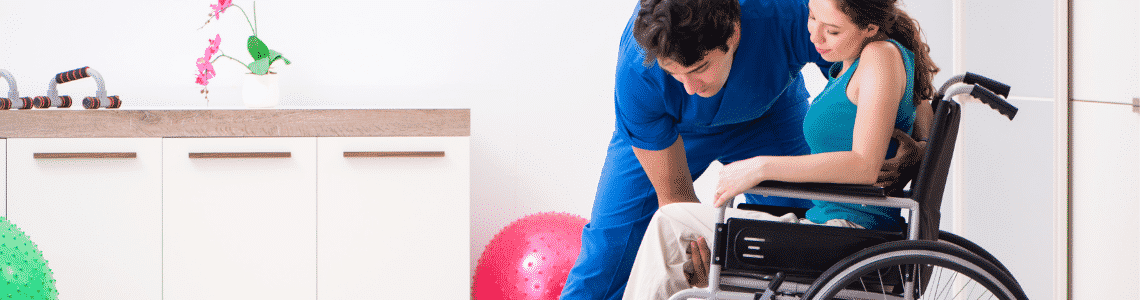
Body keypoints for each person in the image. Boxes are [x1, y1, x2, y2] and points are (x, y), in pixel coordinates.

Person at [560, 0, 927, 299]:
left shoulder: (789, 15)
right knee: (608, 254)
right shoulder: (639, 69)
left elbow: (882, 59)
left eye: (701, 68)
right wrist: (702, 251)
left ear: (734, 35)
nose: (689, 86)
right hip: (670, 130)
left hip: (767, 113)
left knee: (785, 230)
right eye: (676, 74)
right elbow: (675, 199)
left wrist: (921, 143)